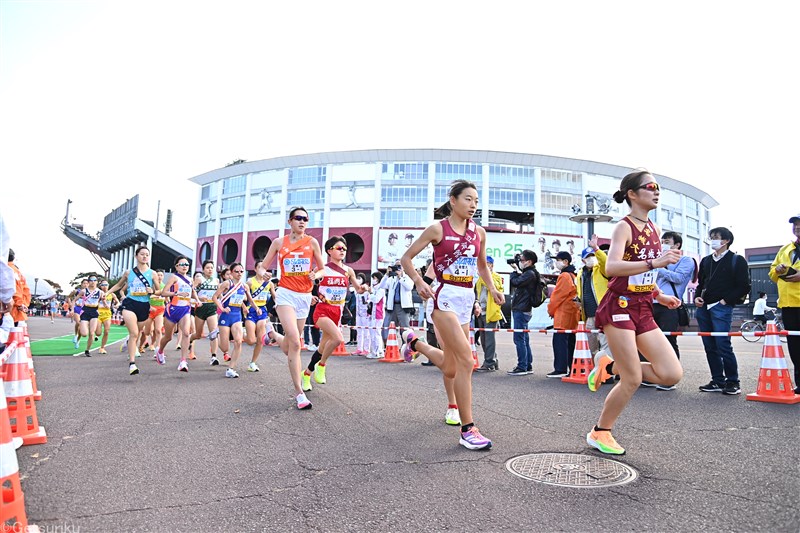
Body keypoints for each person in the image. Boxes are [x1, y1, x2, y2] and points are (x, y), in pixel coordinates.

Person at [400, 179, 504, 451]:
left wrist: (491, 290)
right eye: (468, 199)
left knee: (451, 366)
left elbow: (481, 266)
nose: (473, 205)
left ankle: (416, 344)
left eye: (477, 201)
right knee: (467, 362)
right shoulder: (438, 229)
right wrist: (420, 281)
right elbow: (406, 258)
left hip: (466, 299)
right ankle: (468, 429)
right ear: (453, 200)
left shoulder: (478, 233)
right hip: (443, 298)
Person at [586, 169, 683, 455]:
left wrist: (660, 295)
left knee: (670, 374)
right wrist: (656, 263)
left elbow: (639, 274)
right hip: (619, 307)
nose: (656, 192)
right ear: (632, 194)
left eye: (658, 188)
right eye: (651, 187)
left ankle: (608, 365)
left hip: (643, 306)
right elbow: (613, 268)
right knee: (633, 379)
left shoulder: (653, 228)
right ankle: (600, 432)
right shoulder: (624, 227)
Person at [258, 206, 325, 409]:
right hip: (285, 294)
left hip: (304, 297)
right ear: (290, 221)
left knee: (288, 345)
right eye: (298, 218)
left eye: (305, 219)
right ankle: (299, 393)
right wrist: (263, 273)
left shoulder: (312, 242)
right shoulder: (279, 243)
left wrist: (316, 275)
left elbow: (322, 268)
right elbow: (262, 266)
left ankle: (273, 336)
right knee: (296, 343)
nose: (302, 222)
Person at [301, 236, 366, 391]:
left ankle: (306, 373)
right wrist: (310, 294)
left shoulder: (348, 270)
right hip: (323, 310)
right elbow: (308, 283)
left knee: (322, 348)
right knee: (338, 339)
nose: (342, 251)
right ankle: (322, 366)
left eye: (344, 248)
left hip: (338, 310)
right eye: (339, 248)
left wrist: (362, 289)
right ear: (330, 250)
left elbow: (357, 288)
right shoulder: (323, 268)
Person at [694, 226, 750, 395]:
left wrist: (725, 301)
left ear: (726, 240)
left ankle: (733, 381)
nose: (712, 240)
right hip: (704, 307)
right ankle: (717, 380)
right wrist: (697, 297)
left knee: (723, 344)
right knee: (709, 345)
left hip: (722, 307)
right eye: (711, 237)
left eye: (716, 237)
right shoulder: (706, 260)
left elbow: (744, 286)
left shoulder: (737, 260)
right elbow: (701, 283)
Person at [647, 231, 697, 390]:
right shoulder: (656, 259)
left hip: (670, 305)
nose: (663, 244)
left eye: (666, 241)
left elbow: (679, 278)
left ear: (677, 245)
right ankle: (649, 376)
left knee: (668, 340)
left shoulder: (686, 260)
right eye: (661, 241)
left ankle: (670, 378)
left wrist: (658, 266)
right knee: (647, 341)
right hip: (650, 303)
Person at [106, 245, 156, 375]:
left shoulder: (153, 273)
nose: (144, 256)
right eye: (142, 254)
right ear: (136, 256)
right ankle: (132, 364)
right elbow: (118, 285)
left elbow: (159, 290)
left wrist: (153, 291)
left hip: (144, 305)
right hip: (130, 303)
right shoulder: (129, 273)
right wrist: (107, 293)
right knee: (134, 333)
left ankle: (129, 343)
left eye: (147, 254)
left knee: (138, 332)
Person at [769, 214, 800, 394]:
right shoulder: (786, 249)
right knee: (795, 346)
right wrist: (778, 270)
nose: (797, 228)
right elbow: (772, 274)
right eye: (795, 225)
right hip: (788, 304)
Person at [212, 262, 260, 378]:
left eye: (241, 271)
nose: (239, 274)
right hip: (225, 316)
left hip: (236, 316)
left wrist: (256, 308)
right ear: (231, 273)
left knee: (238, 341)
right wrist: (222, 308)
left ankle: (231, 368)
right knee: (225, 347)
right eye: (236, 271)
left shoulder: (244, 286)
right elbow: (214, 297)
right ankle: (216, 334)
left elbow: (249, 299)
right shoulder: (226, 284)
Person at [155, 257, 199, 372]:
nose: (185, 266)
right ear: (176, 266)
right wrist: (177, 293)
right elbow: (164, 293)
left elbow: (192, 292)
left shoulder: (190, 279)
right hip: (172, 309)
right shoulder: (174, 277)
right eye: (182, 264)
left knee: (185, 333)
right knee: (168, 337)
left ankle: (183, 361)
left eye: (187, 264)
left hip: (185, 309)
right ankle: (160, 351)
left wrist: (198, 300)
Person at [547, 251, 580, 377]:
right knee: (570, 342)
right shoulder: (573, 275)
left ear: (566, 262)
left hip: (563, 314)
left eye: (558, 260)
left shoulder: (564, 276)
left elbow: (557, 296)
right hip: (572, 313)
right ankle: (571, 368)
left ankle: (560, 369)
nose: (556, 262)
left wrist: (550, 310)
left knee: (559, 341)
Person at [576, 236, 611, 357]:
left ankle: (608, 371)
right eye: (588, 257)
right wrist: (578, 299)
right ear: (583, 260)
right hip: (589, 314)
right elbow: (580, 291)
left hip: (603, 312)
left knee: (605, 343)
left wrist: (596, 249)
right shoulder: (580, 274)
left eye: (593, 256)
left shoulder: (601, 270)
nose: (591, 259)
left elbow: (605, 262)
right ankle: (596, 368)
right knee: (592, 345)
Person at [507, 249, 540, 375]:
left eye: (522, 260)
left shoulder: (530, 274)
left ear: (529, 262)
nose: (520, 262)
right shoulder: (530, 273)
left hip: (521, 309)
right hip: (524, 309)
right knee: (524, 338)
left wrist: (514, 271)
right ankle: (527, 365)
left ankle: (522, 366)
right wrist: (517, 270)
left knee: (519, 338)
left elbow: (515, 282)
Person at [243, 262, 276, 372]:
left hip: (262, 311)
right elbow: (243, 297)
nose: (262, 270)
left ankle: (252, 363)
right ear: (255, 269)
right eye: (259, 268)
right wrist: (244, 307)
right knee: (251, 341)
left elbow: (275, 298)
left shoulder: (269, 284)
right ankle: (241, 334)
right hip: (251, 310)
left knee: (260, 339)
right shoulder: (250, 282)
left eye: (264, 268)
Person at [473, 256, 504, 372]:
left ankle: (489, 363)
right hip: (481, 312)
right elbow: (477, 295)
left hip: (491, 313)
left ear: (491, 265)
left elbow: (495, 288)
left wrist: (486, 275)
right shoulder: (479, 279)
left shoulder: (496, 277)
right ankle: (492, 361)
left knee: (489, 340)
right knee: (484, 339)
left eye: (485, 264)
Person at [376, 261, 414, 343]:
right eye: (396, 266)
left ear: (403, 268)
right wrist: (386, 275)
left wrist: (400, 277)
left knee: (405, 327)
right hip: (392, 306)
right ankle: (391, 345)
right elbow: (382, 286)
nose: (397, 268)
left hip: (403, 307)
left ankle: (406, 345)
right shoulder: (391, 279)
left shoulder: (407, 278)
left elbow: (409, 287)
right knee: (391, 327)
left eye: (399, 266)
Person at [191, 261, 221, 365]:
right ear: (203, 269)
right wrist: (199, 298)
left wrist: (222, 304)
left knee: (213, 333)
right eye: (208, 267)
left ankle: (214, 356)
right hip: (200, 307)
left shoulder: (216, 281)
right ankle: (190, 339)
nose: (210, 269)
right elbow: (191, 292)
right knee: (198, 334)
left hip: (212, 307)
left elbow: (219, 295)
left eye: (212, 268)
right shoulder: (199, 279)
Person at [76, 276, 105, 357]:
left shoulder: (100, 292)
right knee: (84, 334)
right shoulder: (83, 291)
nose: (93, 282)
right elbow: (75, 299)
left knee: (92, 333)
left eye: (94, 280)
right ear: (88, 281)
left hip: (94, 312)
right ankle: (82, 329)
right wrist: (72, 308)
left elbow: (104, 303)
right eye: (91, 280)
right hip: (85, 311)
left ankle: (87, 350)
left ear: (97, 282)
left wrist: (105, 303)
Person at [365, 272, 386, 358]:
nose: (373, 280)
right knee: (373, 333)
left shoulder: (381, 290)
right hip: (373, 314)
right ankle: (376, 351)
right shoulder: (375, 289)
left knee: (376, 333)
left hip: (378, 314)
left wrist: (371, 293)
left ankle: (377, 352)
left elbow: (376, 300)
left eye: (375, 278)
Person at [96, 280, 119, 354]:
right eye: (103, 285)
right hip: (98, 314)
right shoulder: (98, 293)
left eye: (106, 285)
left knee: (106, 331)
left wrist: (117, 304)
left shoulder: (112, 294)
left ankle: (102, 348)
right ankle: (93, 331)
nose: (105, 286)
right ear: (100, 286)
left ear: (108, 286)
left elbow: (117, 302)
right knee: (98, 333)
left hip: (107, 314)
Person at [353, 273, 370, 355]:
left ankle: (366, 349)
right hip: (358, 313)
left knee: (366, 332)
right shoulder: (356, 290)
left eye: (360, 278)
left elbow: (368, 301)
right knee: (359, 332)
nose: (358, 279)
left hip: (366, 314)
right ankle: (359, 348)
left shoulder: (366, 289)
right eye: (357, 278)